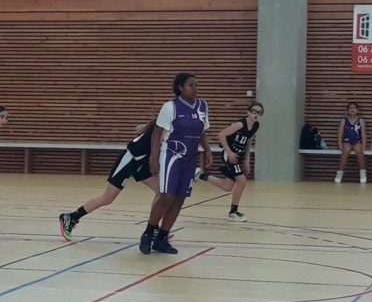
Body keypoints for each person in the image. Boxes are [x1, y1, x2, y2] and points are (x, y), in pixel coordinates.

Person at [138, 72, 212, 255]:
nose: (195, 88)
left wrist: (208, 150)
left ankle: (162, 238)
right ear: (180, 87)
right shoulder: (170, 107)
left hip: (190, 158)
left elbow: (203, 131)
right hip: (172, 156)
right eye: (191, 85)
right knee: (166, 197)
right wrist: (153, 158)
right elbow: (157, 133)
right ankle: (148, 233)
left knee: (179, 199)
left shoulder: (202, 106)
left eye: (196, 85)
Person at [58, 121, 165, 240]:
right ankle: (72, 217)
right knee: (107, 198)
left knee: (162, 192)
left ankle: (153, 228)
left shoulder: (169, 126)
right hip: (130, 159)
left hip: (141, 162)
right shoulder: (165, 123)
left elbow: (139, 129)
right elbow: (141, 129)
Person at [199, 102, 262, 222]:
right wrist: (230, 153)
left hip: (239, 156)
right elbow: (221, 135)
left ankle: (201, 175)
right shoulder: (240, 124)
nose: (256, 114)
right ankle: (233, 212)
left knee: (227, 186)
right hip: (229, 155)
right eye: (254, 111)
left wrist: (247, 161)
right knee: (242, 182)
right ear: (248, 112)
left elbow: (248, 142)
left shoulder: (255, 126)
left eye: (259, 112)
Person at [334, 102, 367, 184]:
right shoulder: (344, 120)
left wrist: (364, 146)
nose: (352, 109)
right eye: (350, 108)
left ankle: (363, 173)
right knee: (346, 150)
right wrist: (340, 145)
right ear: (347, 110)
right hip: (347, 141)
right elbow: (340, 134)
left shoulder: (361, 121)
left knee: (359, 151)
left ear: (357, 110)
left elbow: (363, 134)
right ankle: (340, 173)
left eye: (354, 108)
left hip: (357, 141)